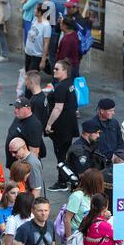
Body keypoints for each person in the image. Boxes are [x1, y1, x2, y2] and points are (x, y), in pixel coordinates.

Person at [46, 58, 79, 192]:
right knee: (65, 153)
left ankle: (63, 181)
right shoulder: (69, 84)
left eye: (57, 69)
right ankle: (67, 179)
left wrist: (48, 124)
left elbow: (58, 108)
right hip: (69, 125)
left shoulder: (61, 87)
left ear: (65, 71)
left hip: (61, 127)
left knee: (60, 155)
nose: (54, 71)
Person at [64, 168, 104, 238]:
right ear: (94, 184)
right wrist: (69, 240)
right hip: (78, 234)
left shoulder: (95, 195)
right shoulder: (77, 196)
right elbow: (67, 219)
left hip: (91, 233)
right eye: (100, 182)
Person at [5, 96, 44, 169]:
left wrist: (25, 171)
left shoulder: (33, 125)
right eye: (15, 107)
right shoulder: (19, 117)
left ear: (28, 109)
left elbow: (34, 152)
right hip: (16, 165)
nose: (15, 110)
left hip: (24, 168)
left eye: (18, 108)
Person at [24, 2, 51, 73]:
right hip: (28, 53)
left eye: (35, 9)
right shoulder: (35, 19)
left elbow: (46, 43)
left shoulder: (46, 26)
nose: (34, 10)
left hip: (36, 55)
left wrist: (43, 60)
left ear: (40, 13)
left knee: (32, 76)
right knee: (27, 74)